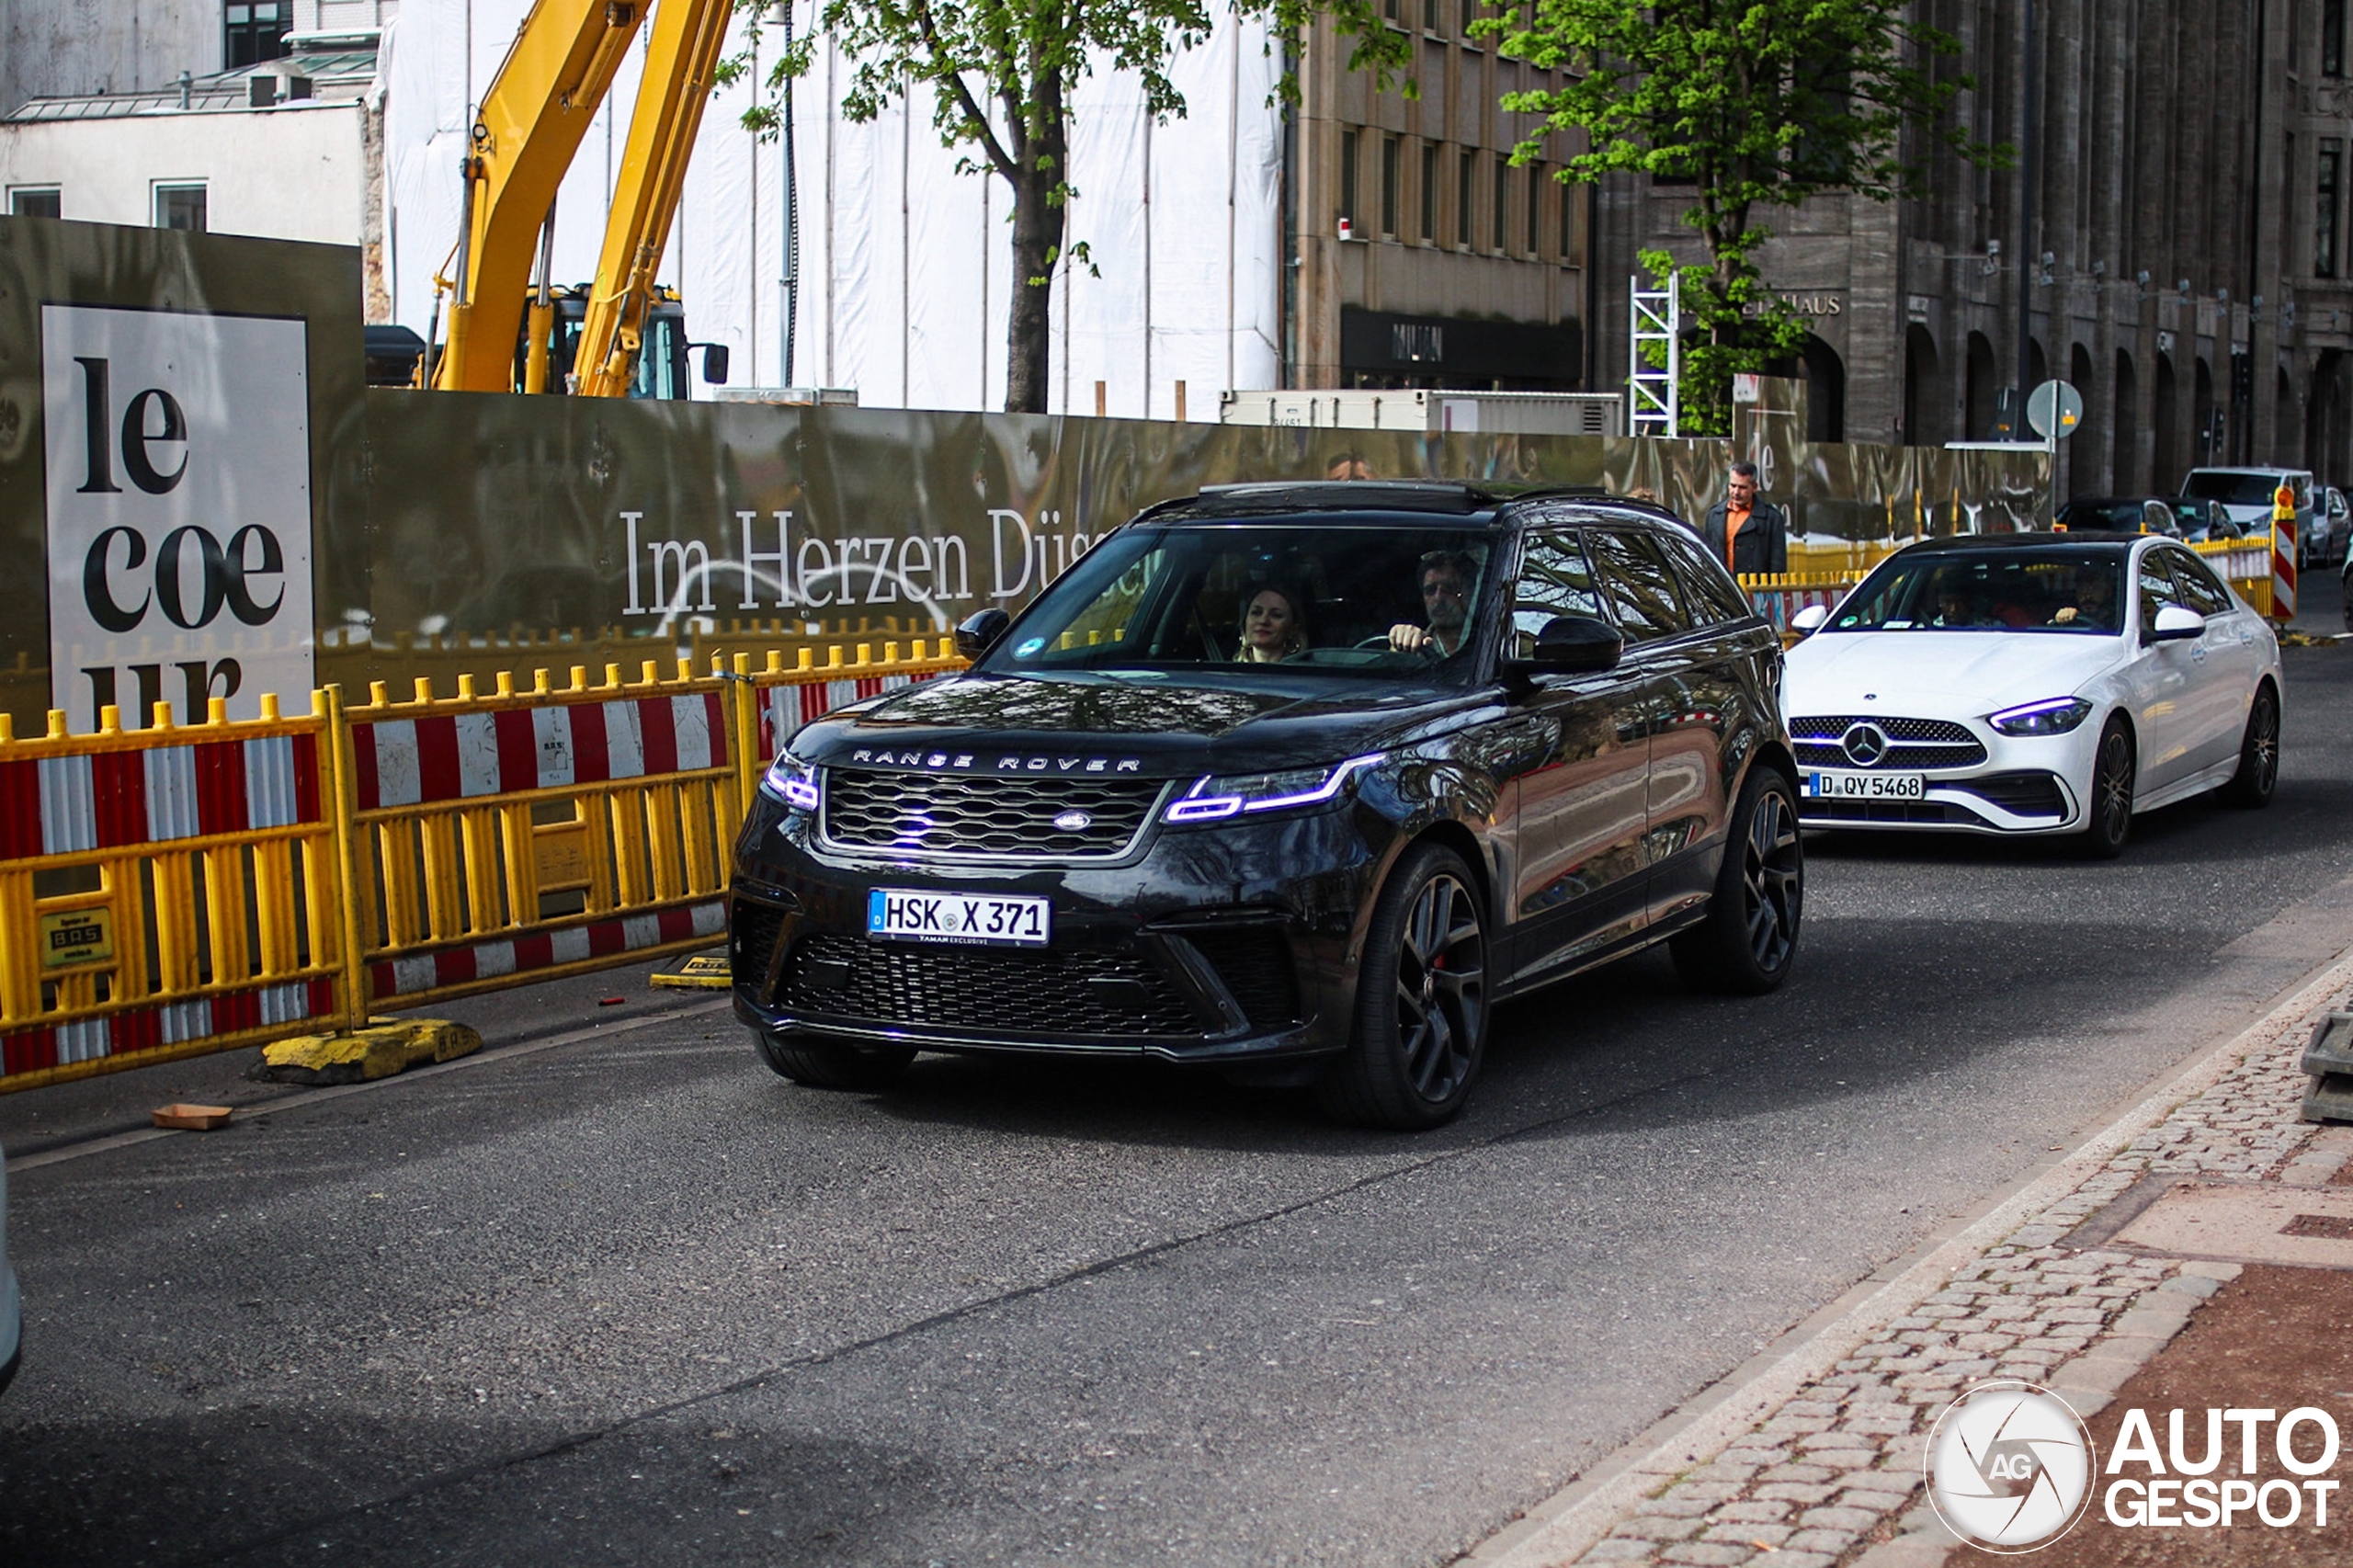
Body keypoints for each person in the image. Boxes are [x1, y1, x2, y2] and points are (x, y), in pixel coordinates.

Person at [1699, 461, 1789, 575]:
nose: (1736, 492)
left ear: (1754, 487)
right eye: (1733, 486)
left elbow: (1778, 565)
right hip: (1723, 587)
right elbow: (1706, 557)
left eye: (1742, 487)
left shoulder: (1771, 518)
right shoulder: (1714, 515)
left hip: (1755, 590)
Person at [1388, 550, 1479, 656]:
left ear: (1471, 593)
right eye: (1430, 590)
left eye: (1449, 588)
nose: (1438, 598)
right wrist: (1398, 650)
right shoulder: (1415, 649)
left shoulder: (1491, 645)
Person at [1234, 585, 1309, 663]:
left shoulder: (1304, 673)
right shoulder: (1229, 673)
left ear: (1293, 629)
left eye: (1276, 615)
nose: (1263, 621)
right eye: (1256, 613)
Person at [2050, 563, 2119, 629]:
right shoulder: (2071, 616)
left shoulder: (2119, 620)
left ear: (2108, 592)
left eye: (2095, 588)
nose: (2087, 596)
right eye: (2082, 588)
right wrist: (2063, 618)